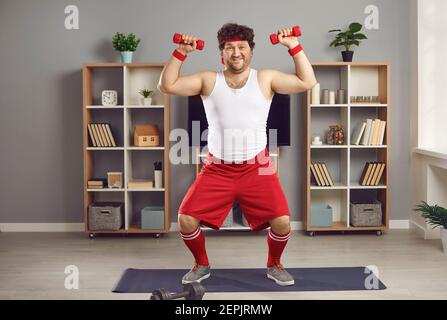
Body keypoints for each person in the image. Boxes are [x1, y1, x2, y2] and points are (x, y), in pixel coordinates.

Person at [158, 23, 317, 286]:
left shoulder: (265, 78)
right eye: (229, 47)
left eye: (241, 47)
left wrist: (293, 46)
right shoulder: (209, 80)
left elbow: (307, 81)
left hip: (257, 166)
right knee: (185, 218)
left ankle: (275, 265)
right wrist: (181, 52)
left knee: (282, 222)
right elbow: (167, 86)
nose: (236, 52)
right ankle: (202, 264)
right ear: (222, 53)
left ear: (250, 51)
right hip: (217, 169)